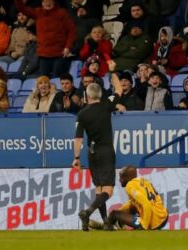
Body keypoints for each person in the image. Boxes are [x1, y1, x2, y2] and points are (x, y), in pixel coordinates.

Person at [73, 60, 123, 231]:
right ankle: (88, 212)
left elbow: (78, 138)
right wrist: (112, 72)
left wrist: (77, 158)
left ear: (87, 95)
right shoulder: (106, 104)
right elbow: (119, 90)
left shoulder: (82, 113)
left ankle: (105, 222)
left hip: (91, 152)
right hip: (106, 151)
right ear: (100, 94)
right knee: (108, 190)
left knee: (99, 188)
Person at [106, 165, 168, 230]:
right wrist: (120, 210)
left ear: (126, 178)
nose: (119, 180)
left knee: (114, 214)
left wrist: (144, 226)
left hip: (154, 221)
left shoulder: (130, 186)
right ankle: (121, 226)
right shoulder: (143, 180)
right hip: (163, 216)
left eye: (121, 177)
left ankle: (107, 226)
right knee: (131, 208)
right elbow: (133, 203)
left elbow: (147, 204)